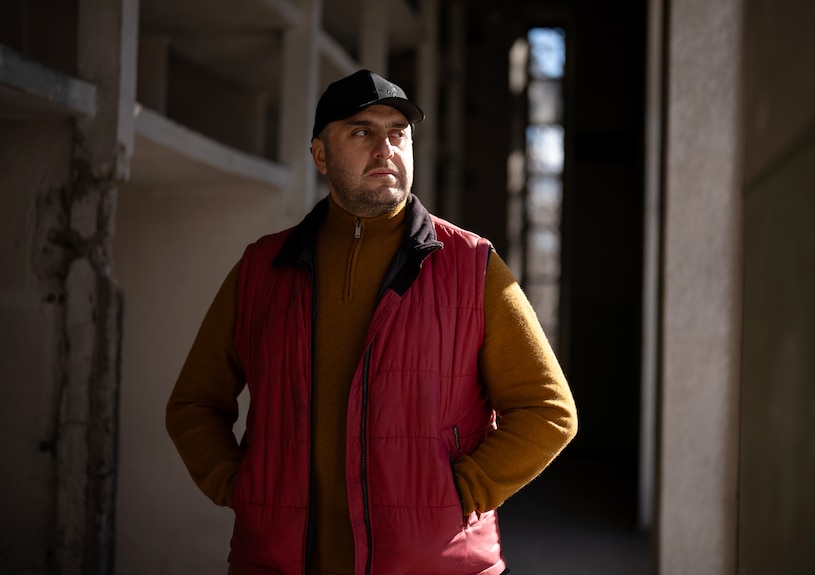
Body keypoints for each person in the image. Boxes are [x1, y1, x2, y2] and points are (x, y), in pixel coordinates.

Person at [166, 69, 578, 575]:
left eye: (397, 133)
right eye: (362, 132)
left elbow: (549, 411)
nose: (385, 147)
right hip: (277, 561)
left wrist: (463, 492)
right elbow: (193, 404)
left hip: (433, 565)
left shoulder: (472, 265)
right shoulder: (261, 268)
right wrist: (241, 486)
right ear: (320, 154)